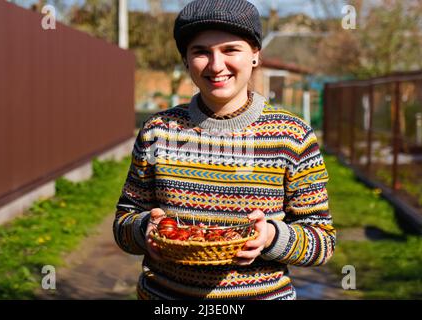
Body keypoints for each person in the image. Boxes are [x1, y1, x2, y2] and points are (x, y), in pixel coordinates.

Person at [113, 0, 335, 300]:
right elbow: (125, 221)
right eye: (201, 52)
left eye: (231, 50)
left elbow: (321, 240)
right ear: (186, 60)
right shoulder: (158, 130)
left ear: (255, 55)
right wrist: (144, 230)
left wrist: (270, 237)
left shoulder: (291, 136)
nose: (216, 65)